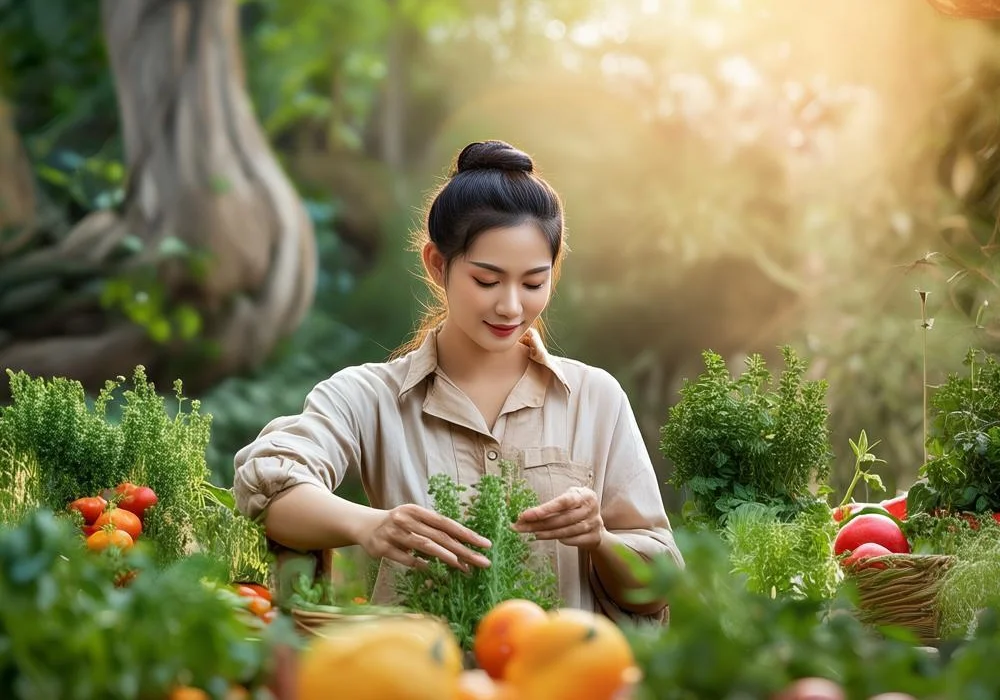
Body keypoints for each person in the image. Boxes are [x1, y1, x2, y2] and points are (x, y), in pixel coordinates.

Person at [232, 139, 684, 622]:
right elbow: (269, 488)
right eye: (487, 281)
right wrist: (372, 526)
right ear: (436, 265)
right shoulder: (369, 396)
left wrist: (599, 538)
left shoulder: (596, 399)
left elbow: (656, 589)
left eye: (533, 282)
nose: (511, 306)